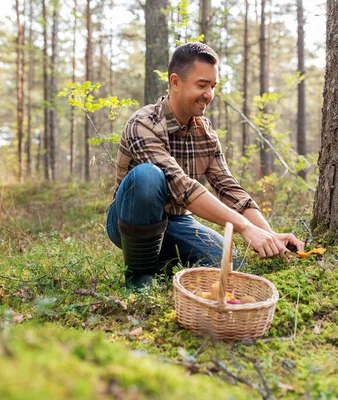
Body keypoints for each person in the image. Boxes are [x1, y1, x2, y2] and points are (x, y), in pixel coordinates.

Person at [106, 42, 304, 289]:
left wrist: (268, 234)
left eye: (213, 86)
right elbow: (182, 187)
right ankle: (139, 281)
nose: (209, 94)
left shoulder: (205, 132)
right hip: (128, 219)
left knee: (231, 265)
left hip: (177, 222)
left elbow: (229, 189)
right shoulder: (144, 124)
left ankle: (165, 265)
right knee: (147, 176)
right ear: (175, 82)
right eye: (202, 85)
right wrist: (244, 227)